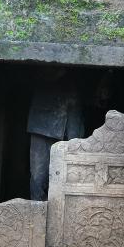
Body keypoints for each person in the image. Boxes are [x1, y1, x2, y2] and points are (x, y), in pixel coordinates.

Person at [27, 71, 86, 201]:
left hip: (71, 124)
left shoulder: (75, 82)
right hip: (42, 124)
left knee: (72, 176)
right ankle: (38, 215)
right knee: (38, 179)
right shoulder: (43, 76)